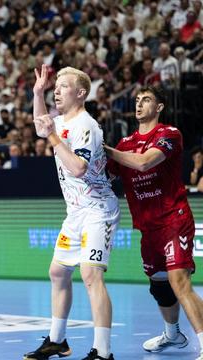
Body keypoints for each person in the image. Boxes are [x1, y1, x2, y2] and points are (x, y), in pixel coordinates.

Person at [24, 65, 120, 360]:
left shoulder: (86, 126)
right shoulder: (61, 120)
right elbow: (42, 125)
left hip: (98, 210)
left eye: (62, 86)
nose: (57, 90)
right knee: (57, 271)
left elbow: (78, 167)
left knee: (91, 275)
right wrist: (38, 93)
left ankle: (103, 352)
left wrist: (54, 138)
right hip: (76, 212)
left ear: (81, 93)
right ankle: (57, 341)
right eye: (56, 86)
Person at [105, 86, 203, 360]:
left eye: (146, 100)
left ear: (159, 107)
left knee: (179, 281)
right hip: (148, 228)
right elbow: (106, 175)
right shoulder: (125, 143)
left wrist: (106, 150)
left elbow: (144, 164)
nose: (139, 104)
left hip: (174, 218)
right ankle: (173, 335)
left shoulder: (169, 135)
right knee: (159, 285)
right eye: (137, 100)